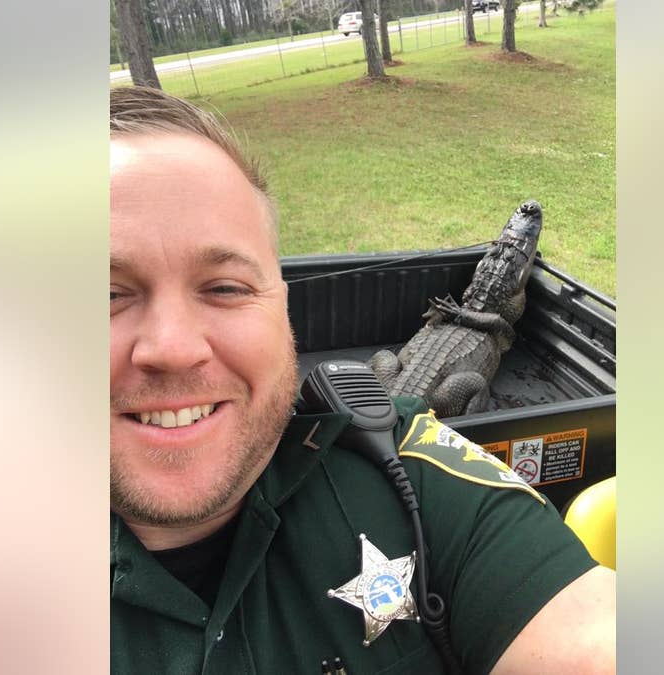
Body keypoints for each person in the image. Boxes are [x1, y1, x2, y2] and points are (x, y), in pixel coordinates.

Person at [109, 86, 615, 674]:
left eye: (226, 287)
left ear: (283, 307)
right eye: (105, 293)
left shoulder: (413, 477)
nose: (173, 348)